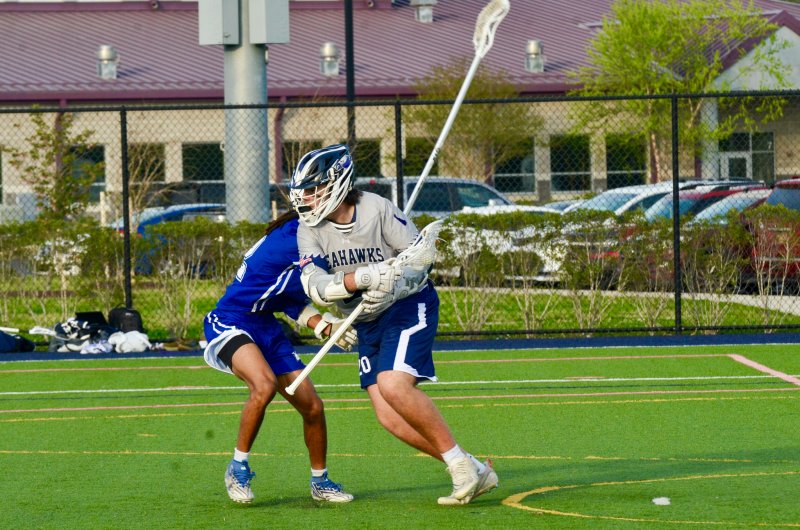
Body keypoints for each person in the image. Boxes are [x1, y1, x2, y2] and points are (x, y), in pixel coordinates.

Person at [288, 144, 498, 506]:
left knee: (393, 385)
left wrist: (393, 283)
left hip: (406, 306)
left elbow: (422, 260)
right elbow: (315, 285)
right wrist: (360, 279)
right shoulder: (310, 230)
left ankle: (459, 467)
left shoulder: (377, 209)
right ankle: (473, 467)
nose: (306, 198)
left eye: (313, 189)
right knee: (389, 417)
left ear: (337, 183)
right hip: (365, 319)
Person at [202, 209, 357, 505]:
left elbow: (287, 300)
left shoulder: (306, 237)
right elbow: (329, 284)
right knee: (264, 385)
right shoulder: (295, 237)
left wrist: (323, 326)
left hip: (265, 325)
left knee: (313, 407)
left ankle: (320, 482)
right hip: (231, 319)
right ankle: (237, 468)